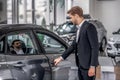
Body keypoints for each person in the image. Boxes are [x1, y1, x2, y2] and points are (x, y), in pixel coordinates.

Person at [54, 6, 99, 80]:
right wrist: (61, 58)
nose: (71, 20)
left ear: (76, 16)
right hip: (81, 65)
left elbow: (95, 48)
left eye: (71, 17)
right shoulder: (79, 28)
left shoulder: (89, 27)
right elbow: (73, 46)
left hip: (88, 67)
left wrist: (92, 66)